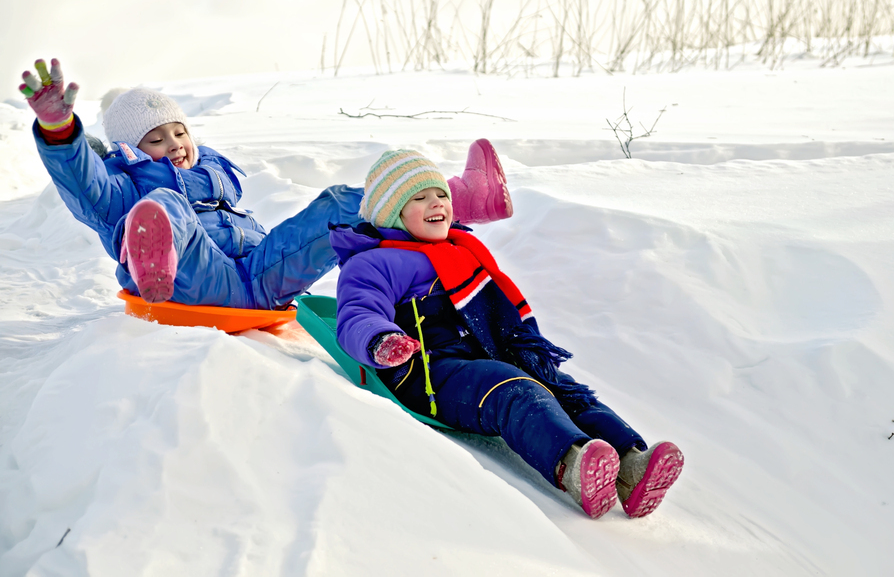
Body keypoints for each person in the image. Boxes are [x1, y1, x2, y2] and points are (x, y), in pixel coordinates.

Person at [331, 150, 684, 519]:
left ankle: (631, 464)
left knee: (562, 387)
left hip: (489, 351)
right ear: (393, 213)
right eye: (419, 198)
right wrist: (382, 340)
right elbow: (357, 313)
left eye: (441, 195)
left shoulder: (459, 249)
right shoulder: (373, 261)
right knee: (514, 388)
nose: (436, 203)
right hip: (431, 369)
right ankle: (574, 464)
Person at [18, 58, 512, 309]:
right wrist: (61, 132)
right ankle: (154, 261)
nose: (174, 143)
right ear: (130, 152)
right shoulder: (124, 189)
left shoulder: (213, 177)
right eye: (155, 139)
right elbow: (84, 185)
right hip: (193, 283)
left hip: (258, 279)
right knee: (162, 203)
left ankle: (463, 199)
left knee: (339, 203)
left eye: (179, 131)